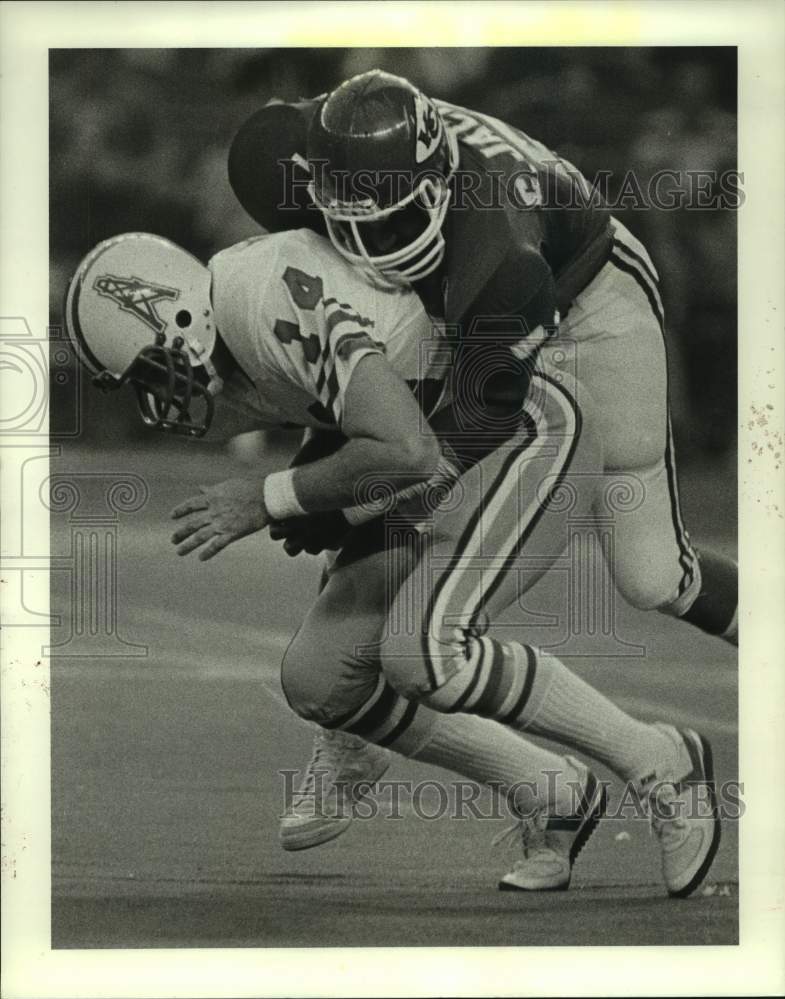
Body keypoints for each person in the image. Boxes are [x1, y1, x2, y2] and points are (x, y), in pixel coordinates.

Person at [64, 227, 720, 896]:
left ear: (176, 312)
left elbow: (403, 447)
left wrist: (273, 498)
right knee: (321, 680)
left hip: (516, 425)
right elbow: (361, 413)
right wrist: (320, 500)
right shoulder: (235, 326)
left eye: (148, 367)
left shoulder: (264, 303)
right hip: (435, 451)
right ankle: (548, 790)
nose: (154, 391)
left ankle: (658, 760)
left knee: (424, 652)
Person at [226, 70, 738, 854]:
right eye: (350, 222)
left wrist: (340, 492)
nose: (371, 248)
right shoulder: (295, 153)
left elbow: (460, 431)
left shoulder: (499, 250)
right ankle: (357, 724)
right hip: (445, 315)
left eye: (394, 219)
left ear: (436, 184)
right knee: (375, 528)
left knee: (649, 574)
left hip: (584, 302)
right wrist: (331, 456)